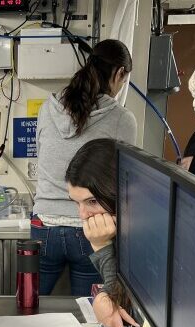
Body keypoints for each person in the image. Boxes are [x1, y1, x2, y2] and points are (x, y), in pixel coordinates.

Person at [33, 39, 138, 296]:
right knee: (90, 313)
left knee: (28, 304)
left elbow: (41, 153)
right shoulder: (122, 118)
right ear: (119, 73)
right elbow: (124, 179)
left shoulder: (48, 108)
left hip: (43, 224)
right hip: (92, 227)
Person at [64, 138, 139, 327]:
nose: (83, 215)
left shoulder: (144, 236)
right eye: (77, 203)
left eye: (92, 201)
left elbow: (126, 310)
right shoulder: (121, 226)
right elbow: (116, 294)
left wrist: (101, 246)